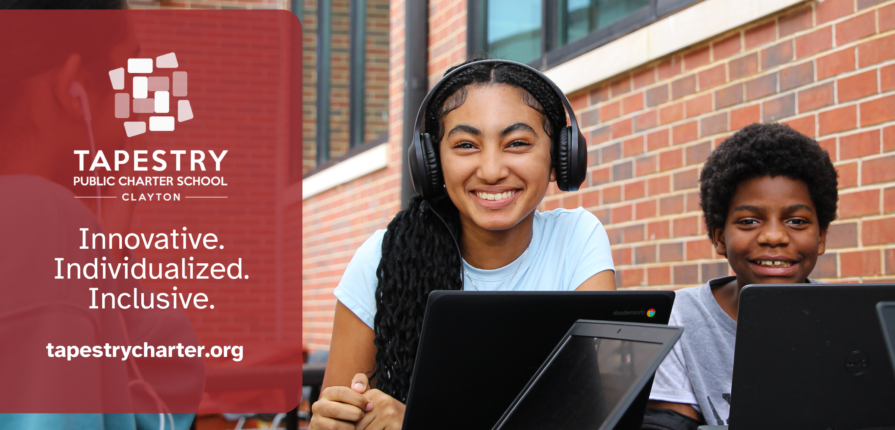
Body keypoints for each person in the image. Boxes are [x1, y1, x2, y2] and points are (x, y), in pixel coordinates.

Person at [309, 59, 617, 430]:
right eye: (466, 145)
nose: (490, 170)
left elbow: (595, 415)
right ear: (432, 167)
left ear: (560, 159)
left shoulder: (577, 239)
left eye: (517, 143)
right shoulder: (381, 258)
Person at [643, 123, 839, 429]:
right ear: (720, 237)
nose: (774, 236)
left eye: (797, 221)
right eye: (749, 220)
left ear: (821, 237)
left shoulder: (850, 319)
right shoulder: (679, 318)